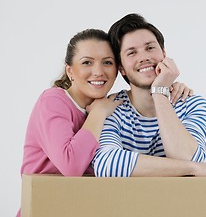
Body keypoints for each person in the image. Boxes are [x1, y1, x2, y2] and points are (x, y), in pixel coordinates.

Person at [17, 28, 193, 216]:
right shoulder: (55, 101)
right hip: (46, 208)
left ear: (118, 69)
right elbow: (71, 166)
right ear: (70, 71)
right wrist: (98, 113)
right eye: (87, 63)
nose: (98, 72)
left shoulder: (109, 106)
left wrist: (165, 89)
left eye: (107, 62)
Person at [92, 13, 206, 177]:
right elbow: (107, 164)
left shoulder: (192, 104)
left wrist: (159, 92)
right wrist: (194, 168)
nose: (144, 57)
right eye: (131, 53)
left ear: (164, 54)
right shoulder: (110, 108)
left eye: (150, 48)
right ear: (121, 68)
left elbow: (188, 157)